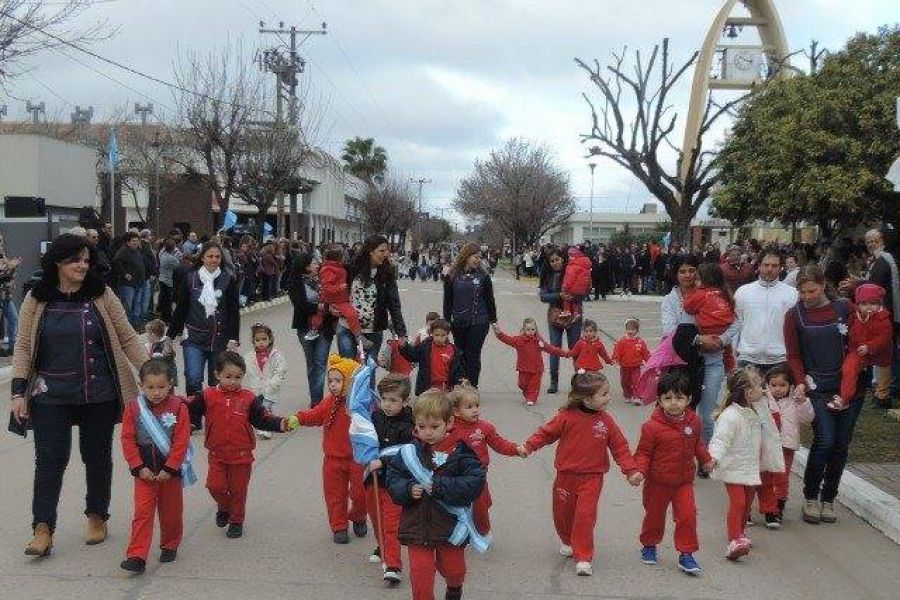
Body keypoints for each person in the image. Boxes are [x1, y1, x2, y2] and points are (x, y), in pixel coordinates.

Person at [11, 234, 149, 556]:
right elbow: (23, 346)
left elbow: (127, 338)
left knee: (97, 458)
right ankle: (42, 528)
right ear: (58, 262)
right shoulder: (37, 298)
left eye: (86, 260)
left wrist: (149, 373)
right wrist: (18, 393)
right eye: (76, 260)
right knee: (49, 461)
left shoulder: (102, 294)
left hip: (98, 393)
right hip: (50, 395)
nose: (83, 266)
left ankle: (97, 515)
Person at [519, 372, 642, 576]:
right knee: (562, 515)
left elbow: (620, 446)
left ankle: (583, 556)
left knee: (585, 516)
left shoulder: (606, 421)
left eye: (608, 393)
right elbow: (546, 433)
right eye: (603, 394)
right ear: (586, 399)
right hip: (566, 476)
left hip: (592, 478)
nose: (609, 398)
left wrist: (631, 470)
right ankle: (567, 540)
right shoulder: (566, 417)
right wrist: (528, 446)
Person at [384, 389, 487, 600]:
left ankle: (454, 589)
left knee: (454, 570)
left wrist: (441, 486)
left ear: (449, 423)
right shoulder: (409, 452)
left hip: (449, 525)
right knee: (421, 577)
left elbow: (475, 482)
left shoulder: (461, 451)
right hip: (417, 527)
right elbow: (393, 479)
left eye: (434, 426)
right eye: (422, 427)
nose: (427, 432)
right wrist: (407, 489)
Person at [785, 265, 865, 525]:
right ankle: (810, 496)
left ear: (823, 285)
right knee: (825, 440)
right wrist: (799, 381)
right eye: (802, 291)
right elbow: (794, 355)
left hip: (850, 386)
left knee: (841, 444)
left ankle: (829, 498)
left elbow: (860, 337)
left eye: (812, 290)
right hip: (817, 386)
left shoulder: (843, 308)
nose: (807, 296)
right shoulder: (794, 315)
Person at [189, 351, 297, 539]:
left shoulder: (248, 398)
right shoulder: (207, 396)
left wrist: (281, 423)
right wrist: (180, 420)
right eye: (228, 377)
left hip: (242, 456)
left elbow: (262, 419)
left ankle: (236, 521)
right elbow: (189, 411)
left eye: (238, 377)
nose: (233, 381)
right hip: (217, 454)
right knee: (215, 486)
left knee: (239, 491)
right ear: (217, 375)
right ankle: (224, 507)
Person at [634, 372, 713, 575]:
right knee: (654, 516)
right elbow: (643, 453)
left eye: (679, 398)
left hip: (683, 482)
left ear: (688, 399)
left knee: (687, 516)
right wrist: (639, 472)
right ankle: (649, 545)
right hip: (657, 482)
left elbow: (698, 445)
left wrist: (706, 460)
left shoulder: (694, 422)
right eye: (667, 398)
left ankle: (686, 553)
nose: (674, 403)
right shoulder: (651, 427)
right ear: (659, 400)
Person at [119, 358, 193, 574]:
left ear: (170, 384)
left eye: (161, 387)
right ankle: (137, 555)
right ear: (142, 386)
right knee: (142, 513)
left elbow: (181, 441)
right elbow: (127, 438)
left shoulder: (179, 407)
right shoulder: (134, 408)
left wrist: (170, 468)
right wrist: (137, 466)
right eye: (150, 387)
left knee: (171, 513)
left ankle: (170, 544)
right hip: (144, 473)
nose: (156, 392)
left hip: (170, 473)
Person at [661, 254, 739, 448]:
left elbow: (736, 322)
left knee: (707, 413)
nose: (687, 275)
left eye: (691, 271)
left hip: (713, 360)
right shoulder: (671, 300)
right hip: (683, 362)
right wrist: (698, 339)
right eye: (682, 271)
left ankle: (705, 455)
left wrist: (721, 340)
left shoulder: (716, 293)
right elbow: (670, 331)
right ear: (675, 274)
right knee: (681, 409)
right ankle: (680, 452)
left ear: (699, 274)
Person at [707, 368, 783, 561]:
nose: (763, 389)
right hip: (733, 467)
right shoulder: (731, 416)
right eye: (758, 386)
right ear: (747, 391)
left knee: (746, 503)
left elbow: (771, 430)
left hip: (750, 467)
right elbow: (720, 440)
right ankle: (734, 538)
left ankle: (740, 533)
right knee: (738, 502)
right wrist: (713, 457)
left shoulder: (757, 410)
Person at [295, 354, 369, 544]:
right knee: (335, 495)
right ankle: (339, 526)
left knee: (361, 494)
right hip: (333, 458)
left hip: (358, 458)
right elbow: (315, 415)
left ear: (350, 382)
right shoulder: (329, 402)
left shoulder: (361, 403)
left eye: (338, 380)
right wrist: (298, 418)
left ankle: (359, 516)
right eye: (330, 381)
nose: (333, 385)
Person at [168, 241, 241, 413]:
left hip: (219, 339)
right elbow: (181, 309)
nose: (214, 260)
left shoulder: (227, 279)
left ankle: (214, 415)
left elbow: (233, 312)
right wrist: (169, 336)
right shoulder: (190, 278)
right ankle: (193, 418)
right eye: (210, 256)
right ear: (202, 258)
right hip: (194, 337)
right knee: (193, 378)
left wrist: (233, 339)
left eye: (217, 257)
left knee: (216, 381)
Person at [446, 385, 520, 536]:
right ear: (456, 411)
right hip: (455, 476)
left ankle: (483, 532)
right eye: (469, 407)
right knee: (456, 506)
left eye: (477, 406)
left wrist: (516, 449)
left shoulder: (484, 427)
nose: (475, 410)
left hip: (477, 477)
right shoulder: (448, 429)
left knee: (481, 506)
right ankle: (457, 533)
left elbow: (500, 444)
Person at [365, 374, 415, 584]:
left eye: (393, 400)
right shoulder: (375, 417)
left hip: (394, 482)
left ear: (405, 402)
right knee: (376, 519)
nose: (387, 404)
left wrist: (383, 462)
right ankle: (382, 545)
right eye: (384, 398)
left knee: (391, 524)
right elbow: (364, 437)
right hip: (372, 478)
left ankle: (393, 565)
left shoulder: (411, 423)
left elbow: (407, 451)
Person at [338, 235, 407, 363]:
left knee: (368, 372)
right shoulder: (351, 269)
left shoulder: (387, 274)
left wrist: (401, 332)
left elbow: (394, 304)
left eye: (387, 251)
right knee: (347, 369)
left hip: (373, 332)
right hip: (348, 328)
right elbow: (336, 292)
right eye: (382, 251)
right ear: (370, 251)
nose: (386, 254)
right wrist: (331, 306)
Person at [762, 365, 813, 524]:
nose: (778, 389)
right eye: (774, 385)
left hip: (787, 446)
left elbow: (807, 419)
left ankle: (779, 506)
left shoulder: (795, 401)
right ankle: (767, 504)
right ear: (767, 385)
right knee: (766, 476)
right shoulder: (763, 400)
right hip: (767, 445)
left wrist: (803, 402)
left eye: (782, 385)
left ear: (790, 385)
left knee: (782, 477)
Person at [829, 284, 893, 410]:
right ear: (858, 304)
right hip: (858, 350)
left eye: (873, 303)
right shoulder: (855, 316)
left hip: (879, 353)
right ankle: (845, 397)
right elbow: (850, 328)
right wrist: (844, 330)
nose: (868, 307)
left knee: (883, 375)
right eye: (864, 304)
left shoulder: (883, 319)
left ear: (880, 303)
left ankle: (882, 397)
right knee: (849, 369)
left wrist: (870, 346)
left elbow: (884, 338)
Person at [733, 250, 798, 373]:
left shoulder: (792, 294)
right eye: (766, 265)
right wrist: (733, 356)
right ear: (759, 266)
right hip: (747, 358)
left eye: (774, 266)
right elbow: (736, 324)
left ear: (781, 268)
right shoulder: (743, 292)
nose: (770, 269)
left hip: (780, 359)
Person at [443, 242, 497, 387]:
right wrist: (446, 321)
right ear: (466, 256)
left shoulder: (483, 276)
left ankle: (473, 386)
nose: (478, 260)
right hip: (458, 321)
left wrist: (493, 321)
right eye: (475, 256)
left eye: (480, 257)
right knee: (460, 354)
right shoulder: (452, 276)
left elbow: (489, 300)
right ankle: (461, 384)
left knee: (473, 354)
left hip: (479, 322)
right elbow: (448, 301)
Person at [289, 251, 333, 407]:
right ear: (306, 266)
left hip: (324, 328)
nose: (318, 265)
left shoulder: (324, 280)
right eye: (315, 263)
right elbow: (300, 305)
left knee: (320, 364)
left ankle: (317, 403)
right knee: (311, 365)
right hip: (304, 328)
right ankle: (316, 397)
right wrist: (323, 307)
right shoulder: (295, 282)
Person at [539, 248, 584, 393]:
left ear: (563, 259)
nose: (555, 263)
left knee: (575, 347)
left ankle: (579, 380)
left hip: (573, 315)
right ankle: (554, 381)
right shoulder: (547, 275)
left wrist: (573, 298)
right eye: (551, 261)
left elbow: (583, 290)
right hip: (555, 315)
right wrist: (559, 295)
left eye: (557, 259)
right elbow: (543, 296)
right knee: (555, 348)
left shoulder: (573, 271)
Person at [306, 246, 364, 354]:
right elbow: (326, 286)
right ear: (339, 257)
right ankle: (358, 336)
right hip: (336, 299)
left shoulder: (338, 267)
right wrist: (339, 288)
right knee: (352, 314)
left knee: (345, 315)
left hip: (340, 297)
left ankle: (314, 329)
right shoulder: (328, 269)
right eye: (343, 256)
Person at [492, 317, 561, 406]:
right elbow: (507, 339)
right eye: (528, 329)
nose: (531, 331)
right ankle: (528, 394)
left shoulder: (539, 341)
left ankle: (531, 398)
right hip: (523, 368)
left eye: (533, 329)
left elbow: (550, 349)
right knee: (522, 384)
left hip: (537, 369)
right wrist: (499, 334)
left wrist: (564, 353)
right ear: (523, 330)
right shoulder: (519, 340)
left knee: (534, 386)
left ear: (536, 330)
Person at [683, 262, 737, 372]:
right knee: (727, 351)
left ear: (702, 280)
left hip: (707, 329)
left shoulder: (701, 294)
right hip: (725, 328)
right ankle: (730, 368)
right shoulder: (724, 292)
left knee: (705, 349)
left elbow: (688, 307)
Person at [243, 323, 288, 440]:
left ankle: (265, 429)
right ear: (253, 341)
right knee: (259, 408)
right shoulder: (249, 356)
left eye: (264, 339)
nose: (261, 342)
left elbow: (281, 370)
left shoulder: (276, 355)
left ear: (270, 339)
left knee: (265, 408)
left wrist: (274, 383)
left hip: (270, 387)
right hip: (256, 387)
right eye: (257, 340)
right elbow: (242, 367)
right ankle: (269, 424)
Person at [400, 319, 465, 396]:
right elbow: (414, 355)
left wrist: (460, 380)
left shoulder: (454, 350)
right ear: (432, 334)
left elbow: (457, 369)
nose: (439, 338)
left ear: (448, 334)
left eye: (443, 335)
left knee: (443, 407)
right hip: (428, 386)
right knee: (427, 407)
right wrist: (404, 347)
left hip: (445, 387)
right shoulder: (426, 346)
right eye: (436, 335)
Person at [548, 319, 613, 375]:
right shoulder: (580, 343)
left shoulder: (598, 344)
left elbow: (604, 354)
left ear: (595, 332)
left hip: (594, 367)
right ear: (583, 332)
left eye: (590, 331)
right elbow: (573, 353)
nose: (588, 333)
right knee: (581, 380)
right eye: (586, 331)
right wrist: (563, 353)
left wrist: (609, 361)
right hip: (582, 366)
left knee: (593, 381)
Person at [612, 318, 650, 405]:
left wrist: (649, 361)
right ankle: (628, 395)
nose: (630, 331)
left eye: (633, 329)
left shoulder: (641, 342)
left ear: (637, 330)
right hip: (624, 366)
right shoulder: (622, 341)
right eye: (628, 329)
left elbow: (645, 353)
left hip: (636, 366)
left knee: (636, 381)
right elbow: (617, 351)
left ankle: (637, 396)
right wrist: (615, 358)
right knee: (625, 382)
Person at [114, 231, 148, 328]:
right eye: (133, 241)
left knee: (137, 303)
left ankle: (136, 323)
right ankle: (127, 324)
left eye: (137, 241)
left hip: (139, 282)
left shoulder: (137, 250)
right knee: (127, 304)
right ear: (128, 242)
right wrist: (125, 274)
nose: (136, 243)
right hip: (128, 284)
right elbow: (116, 262)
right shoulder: (123, 251)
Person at [0, 233, 21, 356]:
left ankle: (13, 346)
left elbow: (10, 276)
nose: (1, 243)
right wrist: (10, 268)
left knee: (13, 319)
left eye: (2, 240)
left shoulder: (3, 256)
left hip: (6, 295)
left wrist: (13, 267)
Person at [144, 319, 177, 386]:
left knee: (168, 393)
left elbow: (169, 355)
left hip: (167, 375)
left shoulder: (165, 342)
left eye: (147, 333)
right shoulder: (152, 344)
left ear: (152, 334)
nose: (146, 335)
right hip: (158, 375)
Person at [561, 247, 592, 316]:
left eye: (570, 256)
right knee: (576, 301)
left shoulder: (572, 266)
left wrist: (564, 287)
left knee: (567, 299)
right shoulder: (586, 266)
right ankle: (576, 312)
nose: (569, 258)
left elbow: (569, 278)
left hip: (573, 289)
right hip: (582, 290)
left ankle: (567, 311)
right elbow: (589, 279)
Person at [157, 238, 180, 325]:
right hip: (168, 281)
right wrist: (177, 256)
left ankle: (163, 317)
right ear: (173, 248)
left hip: (161, 278)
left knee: (163, 299)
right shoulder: (171, 258)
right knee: (168, 301)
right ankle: (168, 319)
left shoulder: (162, 253)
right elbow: (178, 265)